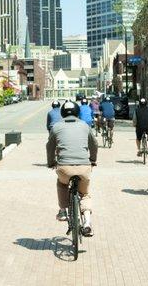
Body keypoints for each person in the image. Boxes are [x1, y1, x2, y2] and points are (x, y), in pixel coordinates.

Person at [47, 101, 98, 237]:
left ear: (62, 113)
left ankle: (63, 210)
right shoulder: (84, 126)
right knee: (84, 193)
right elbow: (94, 144)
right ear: (77, 112)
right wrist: (92, 160)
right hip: (84, 167)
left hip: (64, 167)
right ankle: (87, 223)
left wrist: (51, 163)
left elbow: (50, 147)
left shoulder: (56, 127)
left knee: (62, 183)